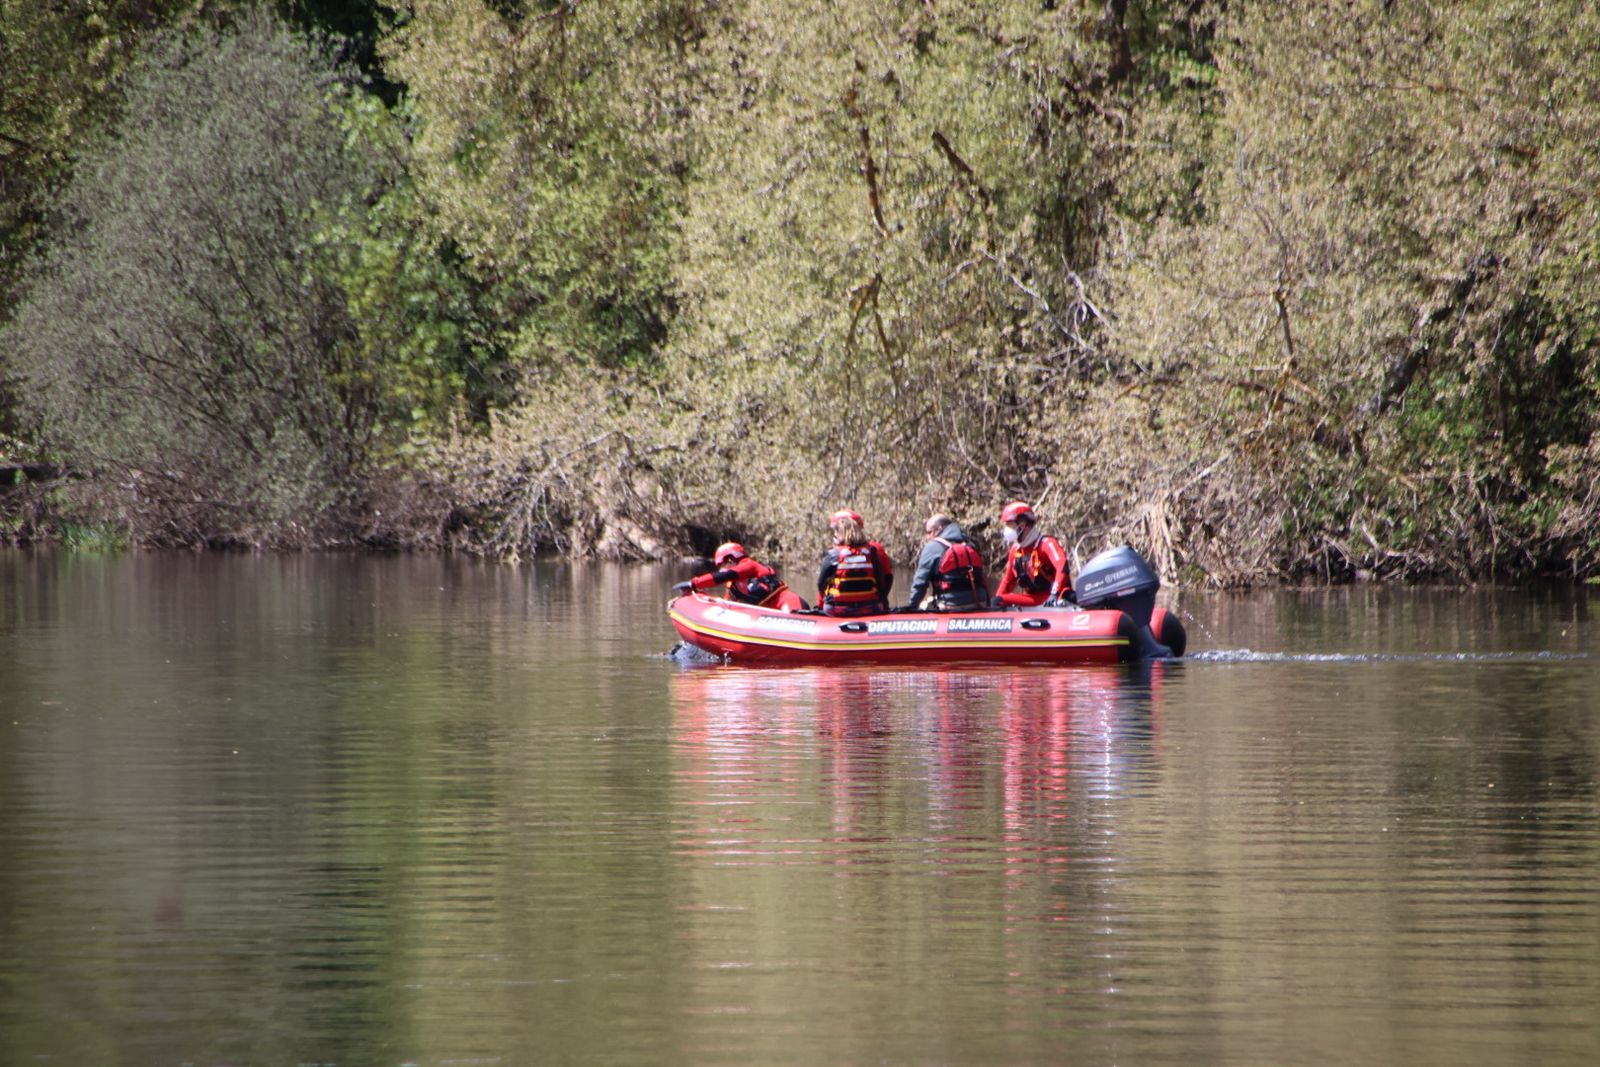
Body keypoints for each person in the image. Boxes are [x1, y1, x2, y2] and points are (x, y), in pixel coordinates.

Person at [672, 542, 805, 611]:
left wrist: (694, 583)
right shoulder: (733, 587)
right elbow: (726, 606)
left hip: (788, 603)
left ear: (731, 559)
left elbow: (723, 576)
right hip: (769, 615)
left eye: (722, 564)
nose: (721, 568)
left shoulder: (749, 565)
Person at [993, 500, 1074, 608]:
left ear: (1022, 525)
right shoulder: (1015, 550)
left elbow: (1062, 566)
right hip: (1033, 599)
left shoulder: (1046, 544)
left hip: (1055, 598)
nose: (1007, 529)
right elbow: (1008, 580)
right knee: (997, 600)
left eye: (1010, 525)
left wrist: (1055, 593)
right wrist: (996, 603)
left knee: (1068, 596)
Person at [816, 509, 893, 617]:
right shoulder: (872, 551)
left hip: (838, 609)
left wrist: (823, 602)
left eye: (835, 531)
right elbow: (883, 581)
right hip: (871, 607)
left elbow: (820, 585)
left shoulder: (833, 554)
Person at [905, 513, 989, 611]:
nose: (928, 537)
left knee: (924, 605)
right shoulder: (970, 544)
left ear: (939, 529)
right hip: (980, 602)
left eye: (929, 532)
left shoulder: (932, 547)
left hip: (951, 605)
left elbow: (920, 583)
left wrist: (911, 608)